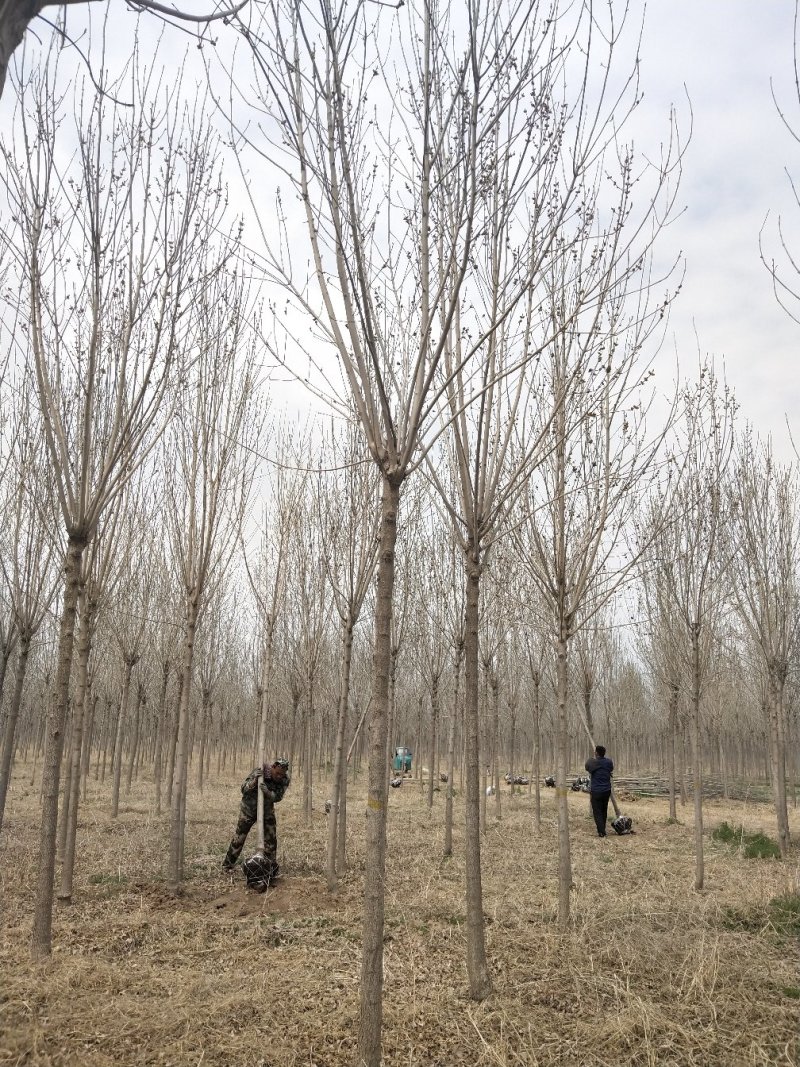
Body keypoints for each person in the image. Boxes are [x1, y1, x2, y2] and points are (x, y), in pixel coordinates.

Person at [222, 758, 291, 873]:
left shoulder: (285, 779)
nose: (279, 776)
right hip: (249, 809)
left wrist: (268, 793)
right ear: (273, 767)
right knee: (239, 837)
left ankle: (270, 867)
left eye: (281, 774)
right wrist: (254, 781)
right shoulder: (261, 771)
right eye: (277, 773)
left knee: (271, 839)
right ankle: (227, 865)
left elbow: (278, 797)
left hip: (267, 809)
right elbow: (243, 789)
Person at [584, 744, 614, 838]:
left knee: (597, 812)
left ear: (596, 753)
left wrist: (593, 759)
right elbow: (611, 769)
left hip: (596, 791)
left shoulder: (592, 763)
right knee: (604, 810)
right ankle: (602, 828)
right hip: (606, 790)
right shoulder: (609, 762)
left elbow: (587, 767)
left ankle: (601, 832)